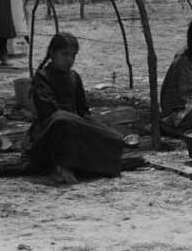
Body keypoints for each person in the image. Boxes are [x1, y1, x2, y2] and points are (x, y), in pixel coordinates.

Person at [26, 31, 132, 182]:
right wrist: (76, 122)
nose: (70, 59)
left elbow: (83, 111)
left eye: (73, 55)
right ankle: (60, 166)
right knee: (61, 119)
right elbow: (49, 111)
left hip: (74, 127)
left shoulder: (74, 77)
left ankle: (86, 166)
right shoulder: (42, 77)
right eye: (65, 54)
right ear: (52, 53)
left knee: (114, 137)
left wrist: (93, 126)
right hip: (51, 130)